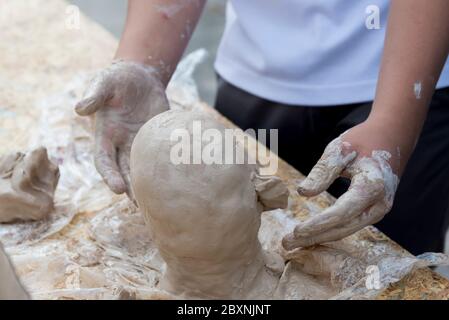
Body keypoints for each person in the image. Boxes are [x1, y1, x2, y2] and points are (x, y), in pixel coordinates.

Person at [75, 0, 449, 255]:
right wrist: (143, 64)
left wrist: (394, 127)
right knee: (230, 233)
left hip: (405, 78)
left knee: (384, 265)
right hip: (257, 71)